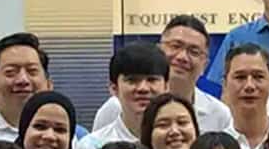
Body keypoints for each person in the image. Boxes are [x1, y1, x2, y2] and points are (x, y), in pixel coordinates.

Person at [92, 19, 233, 137]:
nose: (182, 57)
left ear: (205, 65)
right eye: (175, 46)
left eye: (194, 52)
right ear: (158, 49)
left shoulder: (219, 115)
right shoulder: (114, 107)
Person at [87, 42, 172, 148]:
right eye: (132, 80)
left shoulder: (180, 143)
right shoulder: (91, 147)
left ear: (166, 86)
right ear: (114, 88)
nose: (143, 88)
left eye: (152, 80)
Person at [221, 43, 269, 149]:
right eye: (240, 77)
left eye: (258, 77)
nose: (249, 86)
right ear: (224, 85)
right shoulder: (217, 145)